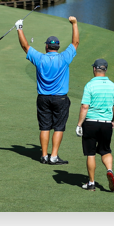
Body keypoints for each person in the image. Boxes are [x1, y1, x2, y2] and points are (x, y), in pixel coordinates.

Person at [15, 16, 79, 165]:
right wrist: (74, 24)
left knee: (44, 127)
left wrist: (19, 29)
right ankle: (54, 157)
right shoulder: (64, 58)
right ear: (57, 47)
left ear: (46, 47)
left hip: (43, 98)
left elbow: (25, 46)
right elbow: (75, 42)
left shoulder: (40, 58)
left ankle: (44, 156)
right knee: (58, 127)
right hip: (60, 98)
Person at [76, 59, 114, 192]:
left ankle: (91, 183)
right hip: (106, 124)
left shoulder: (90, 85)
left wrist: (79, 124)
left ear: (94, 69)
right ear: (105, 70)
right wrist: (112, 119)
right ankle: (109, 170)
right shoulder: (113, 86)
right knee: (105, 151)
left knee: (91, 153)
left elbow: (85, 107)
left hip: (90, 124)